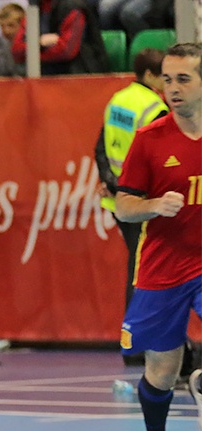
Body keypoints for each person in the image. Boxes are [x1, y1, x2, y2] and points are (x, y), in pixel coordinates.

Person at [114, 42, 201, 431]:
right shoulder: (150, 139)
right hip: (164, 267)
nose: (173, 88)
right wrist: (152, 204)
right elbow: (123, 206)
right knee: (161, 371)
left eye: (183, 78)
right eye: (167, 79)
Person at [94, 48, 167, 360]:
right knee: (144, 274)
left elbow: (100, 147)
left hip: (119, 201)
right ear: (150, 76)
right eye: (165, 75)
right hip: (144, 204)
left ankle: (137, 344)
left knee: (138, 270)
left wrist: (113, 182)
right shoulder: (155, 109)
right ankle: (136, 346)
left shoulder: (117, 100)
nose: (170, 83)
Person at [10, 0, 108, 75]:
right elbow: (16, 50)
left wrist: (31, 54)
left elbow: (66, 51)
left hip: (78, 76)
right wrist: (39, 43)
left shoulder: (73, 6)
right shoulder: (35, 7)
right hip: (45, 74)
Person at [0, 3, 27, 77]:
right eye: (2, 26)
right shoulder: (4, 44)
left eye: (11, 25)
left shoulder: (29, 44)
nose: (6, 31)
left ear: (22, 24)